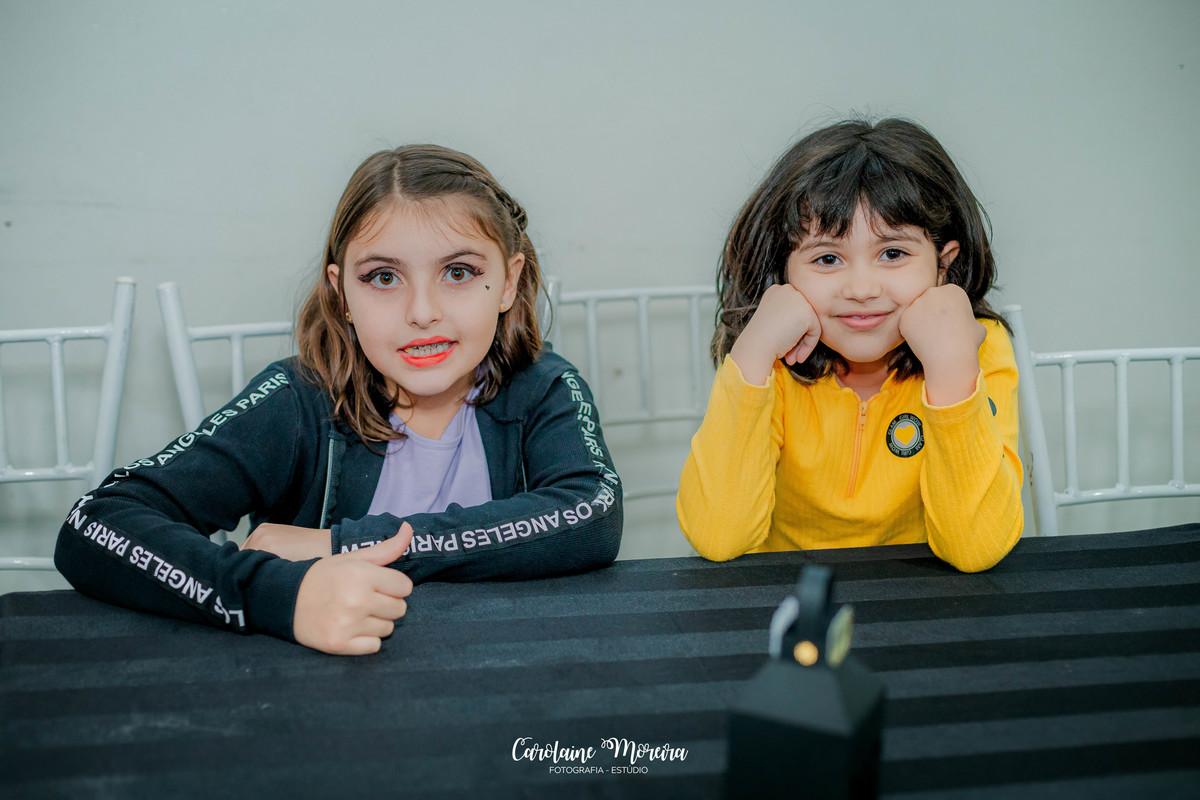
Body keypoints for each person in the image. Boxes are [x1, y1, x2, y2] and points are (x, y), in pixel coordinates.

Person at [55, 145, 622, 655]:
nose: (422, 312)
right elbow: (95, 524)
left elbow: (592, 513)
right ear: (342, 292)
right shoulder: (298, 401)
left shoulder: (543, 385)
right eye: (383, 278)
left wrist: (341, 544)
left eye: (458, 271)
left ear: (508, 282)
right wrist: (282, 595)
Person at [677, 118, 1022, 572]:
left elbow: (975, 548)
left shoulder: (979, 347)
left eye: (893, 253)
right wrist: (753, 349)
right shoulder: (771, 358)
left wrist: (952, 370)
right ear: (784, 272)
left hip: (921, 596)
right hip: (789, 595)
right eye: (827, 258)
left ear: (944, 266)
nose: (861, 289)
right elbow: (717, 536)